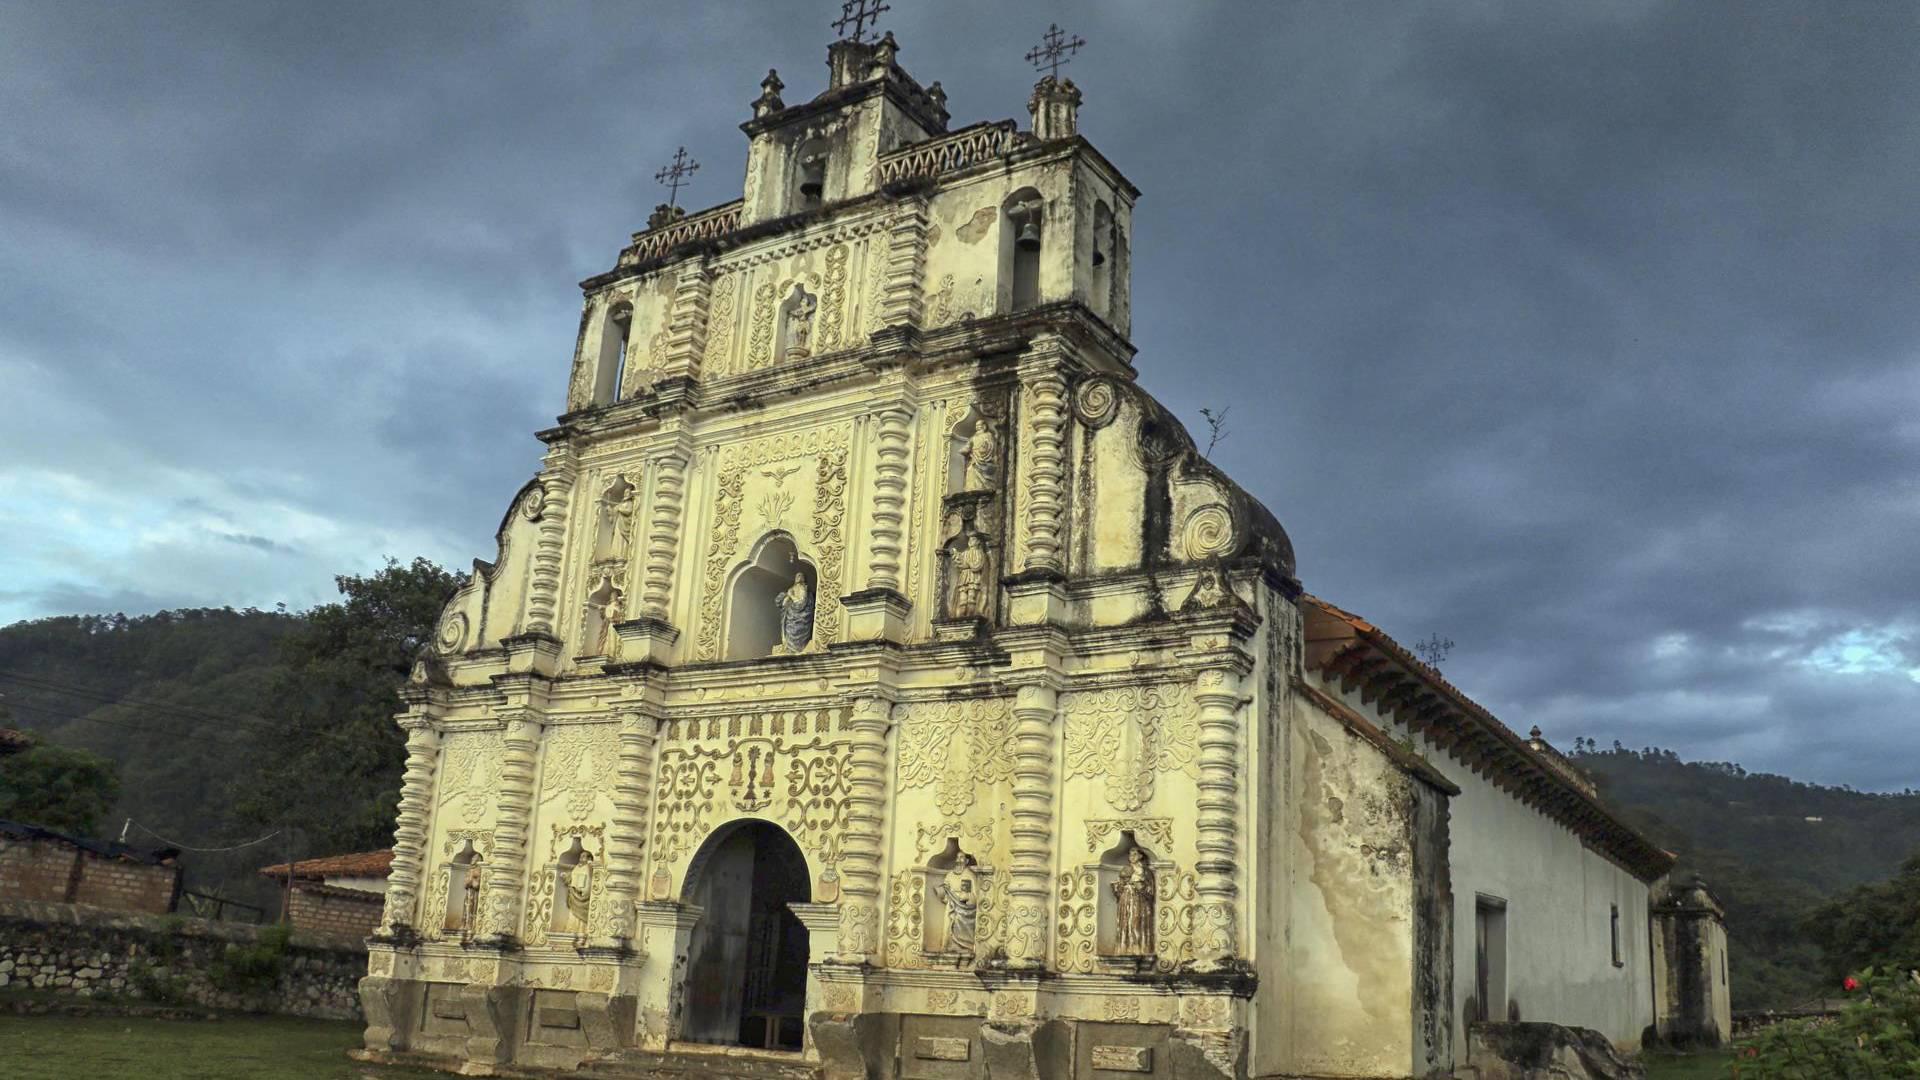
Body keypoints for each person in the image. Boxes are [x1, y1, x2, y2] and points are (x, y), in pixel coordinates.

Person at [1111, 846, 1155, 955]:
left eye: (1135, 854)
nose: (1132, 857)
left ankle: (1140, 947)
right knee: (1127, 921)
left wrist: (1141, 887)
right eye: (1130, 855)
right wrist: (1118, 886)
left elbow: (1151, 890)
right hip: (1126, 899)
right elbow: (1118, 889)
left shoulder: (1145, 872)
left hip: (1140, 900)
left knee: (1137, 921)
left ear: (1140, 856)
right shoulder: (1125, 870)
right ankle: (1125, 947)